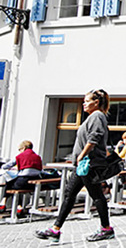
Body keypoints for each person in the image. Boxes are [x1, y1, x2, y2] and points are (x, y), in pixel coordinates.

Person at [35, 89, 115, 242]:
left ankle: (106, 228)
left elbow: (94, 138)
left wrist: (81, 155)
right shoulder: (93, 117)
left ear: (96, 102)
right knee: (69, 194)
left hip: (89, 163)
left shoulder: (97, 116)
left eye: (87, 101)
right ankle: (55, 229)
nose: (84, 104)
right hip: (83, 164)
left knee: (96, 196)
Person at [0, 140, 42, 211]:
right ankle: (18, 206)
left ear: (24, 148)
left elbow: (8, 165)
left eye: (19, 149)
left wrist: (2, 167)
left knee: (10, 182)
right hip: (35, 183)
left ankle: (4, 202)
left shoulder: (20, 156)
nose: (19, 151)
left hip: (23, 182)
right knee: (14, 185)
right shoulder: (37, 157)